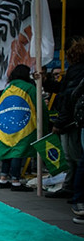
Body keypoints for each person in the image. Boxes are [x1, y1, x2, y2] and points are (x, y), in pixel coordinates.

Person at [49, 38, 84, 199]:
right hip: (71, 119)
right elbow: (64, 92)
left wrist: (60, 121)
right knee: (72, 157)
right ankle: (71, 187)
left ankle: (75, 190)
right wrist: (46, 81)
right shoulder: (74, 71)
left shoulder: (77, 71)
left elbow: (68, 97)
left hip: (71, 120)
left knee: (74, 157)